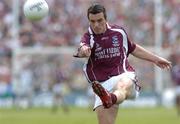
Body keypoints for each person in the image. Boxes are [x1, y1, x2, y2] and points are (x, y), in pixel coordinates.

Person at [74, 3, 172, 124]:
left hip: (123, 75)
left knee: (122, 84)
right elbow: (82, 48)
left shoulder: (118, 32)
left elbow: (133, 48)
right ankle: (108, 97)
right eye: (92, 21)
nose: (96, 25)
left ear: (106, 19)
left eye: (99, 20)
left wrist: (156, 59)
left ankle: (111, 98)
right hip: (101, 86)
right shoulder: (88, 38)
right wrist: (84, 51)